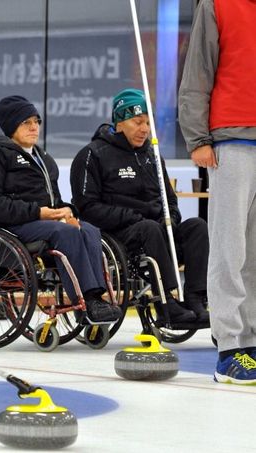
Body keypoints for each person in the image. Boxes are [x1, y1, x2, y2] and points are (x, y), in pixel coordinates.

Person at [0, 95, 122, 324]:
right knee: (64, 233)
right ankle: (88, 299)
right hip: (10, 226)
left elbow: (54, 200)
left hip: (44, 222)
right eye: (25, 122)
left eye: (36, 121)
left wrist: (66, 211)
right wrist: (40, 213)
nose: (34, 127)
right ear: (11, 126)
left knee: (88, 229)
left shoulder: (43, 158)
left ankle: (94, 299)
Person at [70, 88, 209, 326]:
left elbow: (170, 200)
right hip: (120, 233)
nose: (145, 129)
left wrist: (171, 219)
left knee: (197, 226)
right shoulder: (93, 155)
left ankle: (196, 297)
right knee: (148, 228)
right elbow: (87, 207)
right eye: (137, 122)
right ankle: (166, 304)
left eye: (147, 122)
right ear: (120, 122)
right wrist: (131, 216)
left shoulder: (153, 155)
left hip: (157, 230)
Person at [178, 0, 256, 384]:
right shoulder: (217, 5)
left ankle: (253, 340)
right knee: (229, 247)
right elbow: (197, 74)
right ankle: (230, 347)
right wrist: (197, 137)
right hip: (230, 141)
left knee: (255, 251)